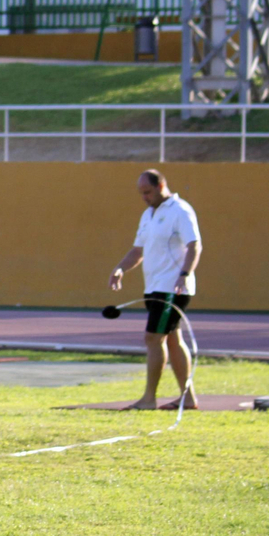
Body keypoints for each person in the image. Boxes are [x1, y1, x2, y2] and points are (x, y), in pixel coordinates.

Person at [108, 169, 201, 411]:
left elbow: (194, 245)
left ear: (161, 186)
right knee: (172, 339)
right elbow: (138, 250)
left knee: (153, 338)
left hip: (172, 287)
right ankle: (188, 398)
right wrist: (120, 268)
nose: (144, 198)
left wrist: (184, 274)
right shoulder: (148, 215)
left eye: (147, 192)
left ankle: (149, 399)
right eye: (141, 193)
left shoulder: (180, 210)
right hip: (153, 286)